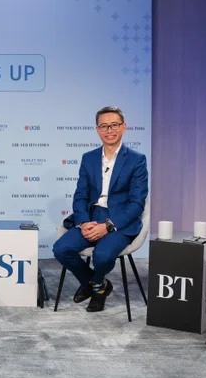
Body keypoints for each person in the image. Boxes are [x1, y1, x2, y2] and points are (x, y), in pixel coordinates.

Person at [53, 106, 149, 312]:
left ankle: (95, 287)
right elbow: (80, 196)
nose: (109, 130)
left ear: (123, 127)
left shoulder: (136, 160)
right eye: (104, 126)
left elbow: (136, 204)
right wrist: (84, 221)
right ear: (97, 130)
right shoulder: (88, 158)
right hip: (92, 216)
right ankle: (98, 285)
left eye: (114, 125)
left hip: (120, 219)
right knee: (61, 249)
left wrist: (108, 226)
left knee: (103, 256)